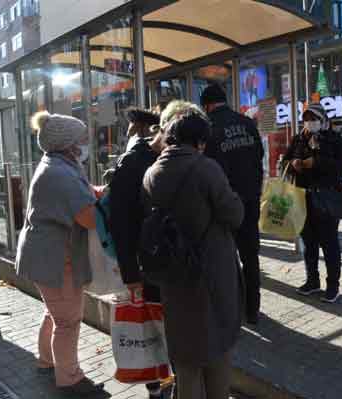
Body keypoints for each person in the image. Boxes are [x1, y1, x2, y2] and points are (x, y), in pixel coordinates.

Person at [141, 100, 244, 399]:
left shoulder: (151, 173)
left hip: (173, 273)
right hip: (211, 270)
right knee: (217, 346)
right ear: (199, 142)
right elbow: (234, 214)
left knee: (185, 355)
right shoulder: (206, 168)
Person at [15, 111, 106, 397]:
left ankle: (46, 361)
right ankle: (70, 379)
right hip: (55, 259)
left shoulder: (58, 164)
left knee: (55, 314)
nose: (86, 143)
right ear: (69, 144)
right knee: (67, 321)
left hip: (44, 256)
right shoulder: (59, 172)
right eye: (82, 139)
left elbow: (85, 192)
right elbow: (89, 218)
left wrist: (103, 190)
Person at [109, 107, 167, 399]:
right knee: (150, 324)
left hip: (153, 259)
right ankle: (156, 385)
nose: (130, 131)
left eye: (133, 127)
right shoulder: (135, 160)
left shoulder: (145, 158)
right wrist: (130, 271)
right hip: (146, 261)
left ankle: (160, 382)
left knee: (155, 323)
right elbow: (120, 221)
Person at [201, 84, 264, 325]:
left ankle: (231, 309)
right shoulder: (247, 123)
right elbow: (259, 156)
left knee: (225, 259)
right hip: (250, 199)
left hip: (223, 203)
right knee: (250, 256)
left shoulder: (208, 127)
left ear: (207, 105)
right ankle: (253, 310)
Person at [283, 103, 342, 303]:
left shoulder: (334, 139)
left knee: (329, 244)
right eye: (306, 118)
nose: (309, 123)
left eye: (314, 119)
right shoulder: (298, 139)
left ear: (323, 120)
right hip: (303, 198)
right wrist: (294, 163)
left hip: (327, 198)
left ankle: (333, 286)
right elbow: (285, 161)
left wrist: (317, 162)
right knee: (308, 242)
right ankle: (312, 281)